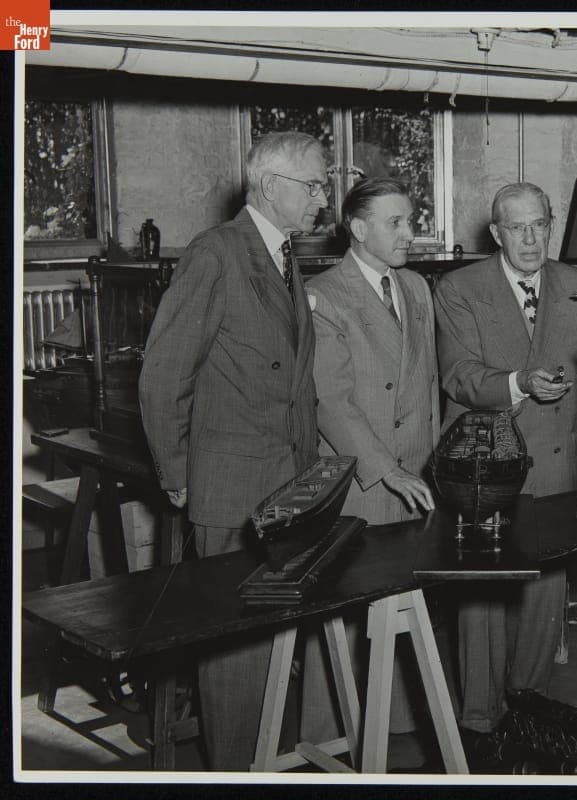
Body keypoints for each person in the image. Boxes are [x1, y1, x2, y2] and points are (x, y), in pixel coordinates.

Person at [433, 181, 577, 736]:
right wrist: (518, 382)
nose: (531, 239)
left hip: (557, 466)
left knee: (543, 592)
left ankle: (527, 711)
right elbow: (458, 374)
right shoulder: (459, 289)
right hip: (486, 468)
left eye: (540, 225)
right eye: (518, 227)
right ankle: (479, 721)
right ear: (496, 233)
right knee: (483, 597)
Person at [138, 131, 329, 770]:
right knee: (237, 666)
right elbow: (164, 373)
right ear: (271, 185)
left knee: (270, 654)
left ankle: (259, 765)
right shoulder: (217, 254)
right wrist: (177, 471)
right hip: (234, 490)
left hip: (285, 489)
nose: (324, 199)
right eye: (315, 185)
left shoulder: (282, 255)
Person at [302, 177, 440, 740]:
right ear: (358, 230)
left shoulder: (417, 288)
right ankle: (326, 730)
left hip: (415, 476)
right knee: (340, 611)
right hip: (360, 481)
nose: (412, 233)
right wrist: (388, 471)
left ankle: (396, 724)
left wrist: (432, 465)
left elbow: (425, 387)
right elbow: (330, 403)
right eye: (397, 223)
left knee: (403, 605)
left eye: (411, 220)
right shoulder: (324, 295)